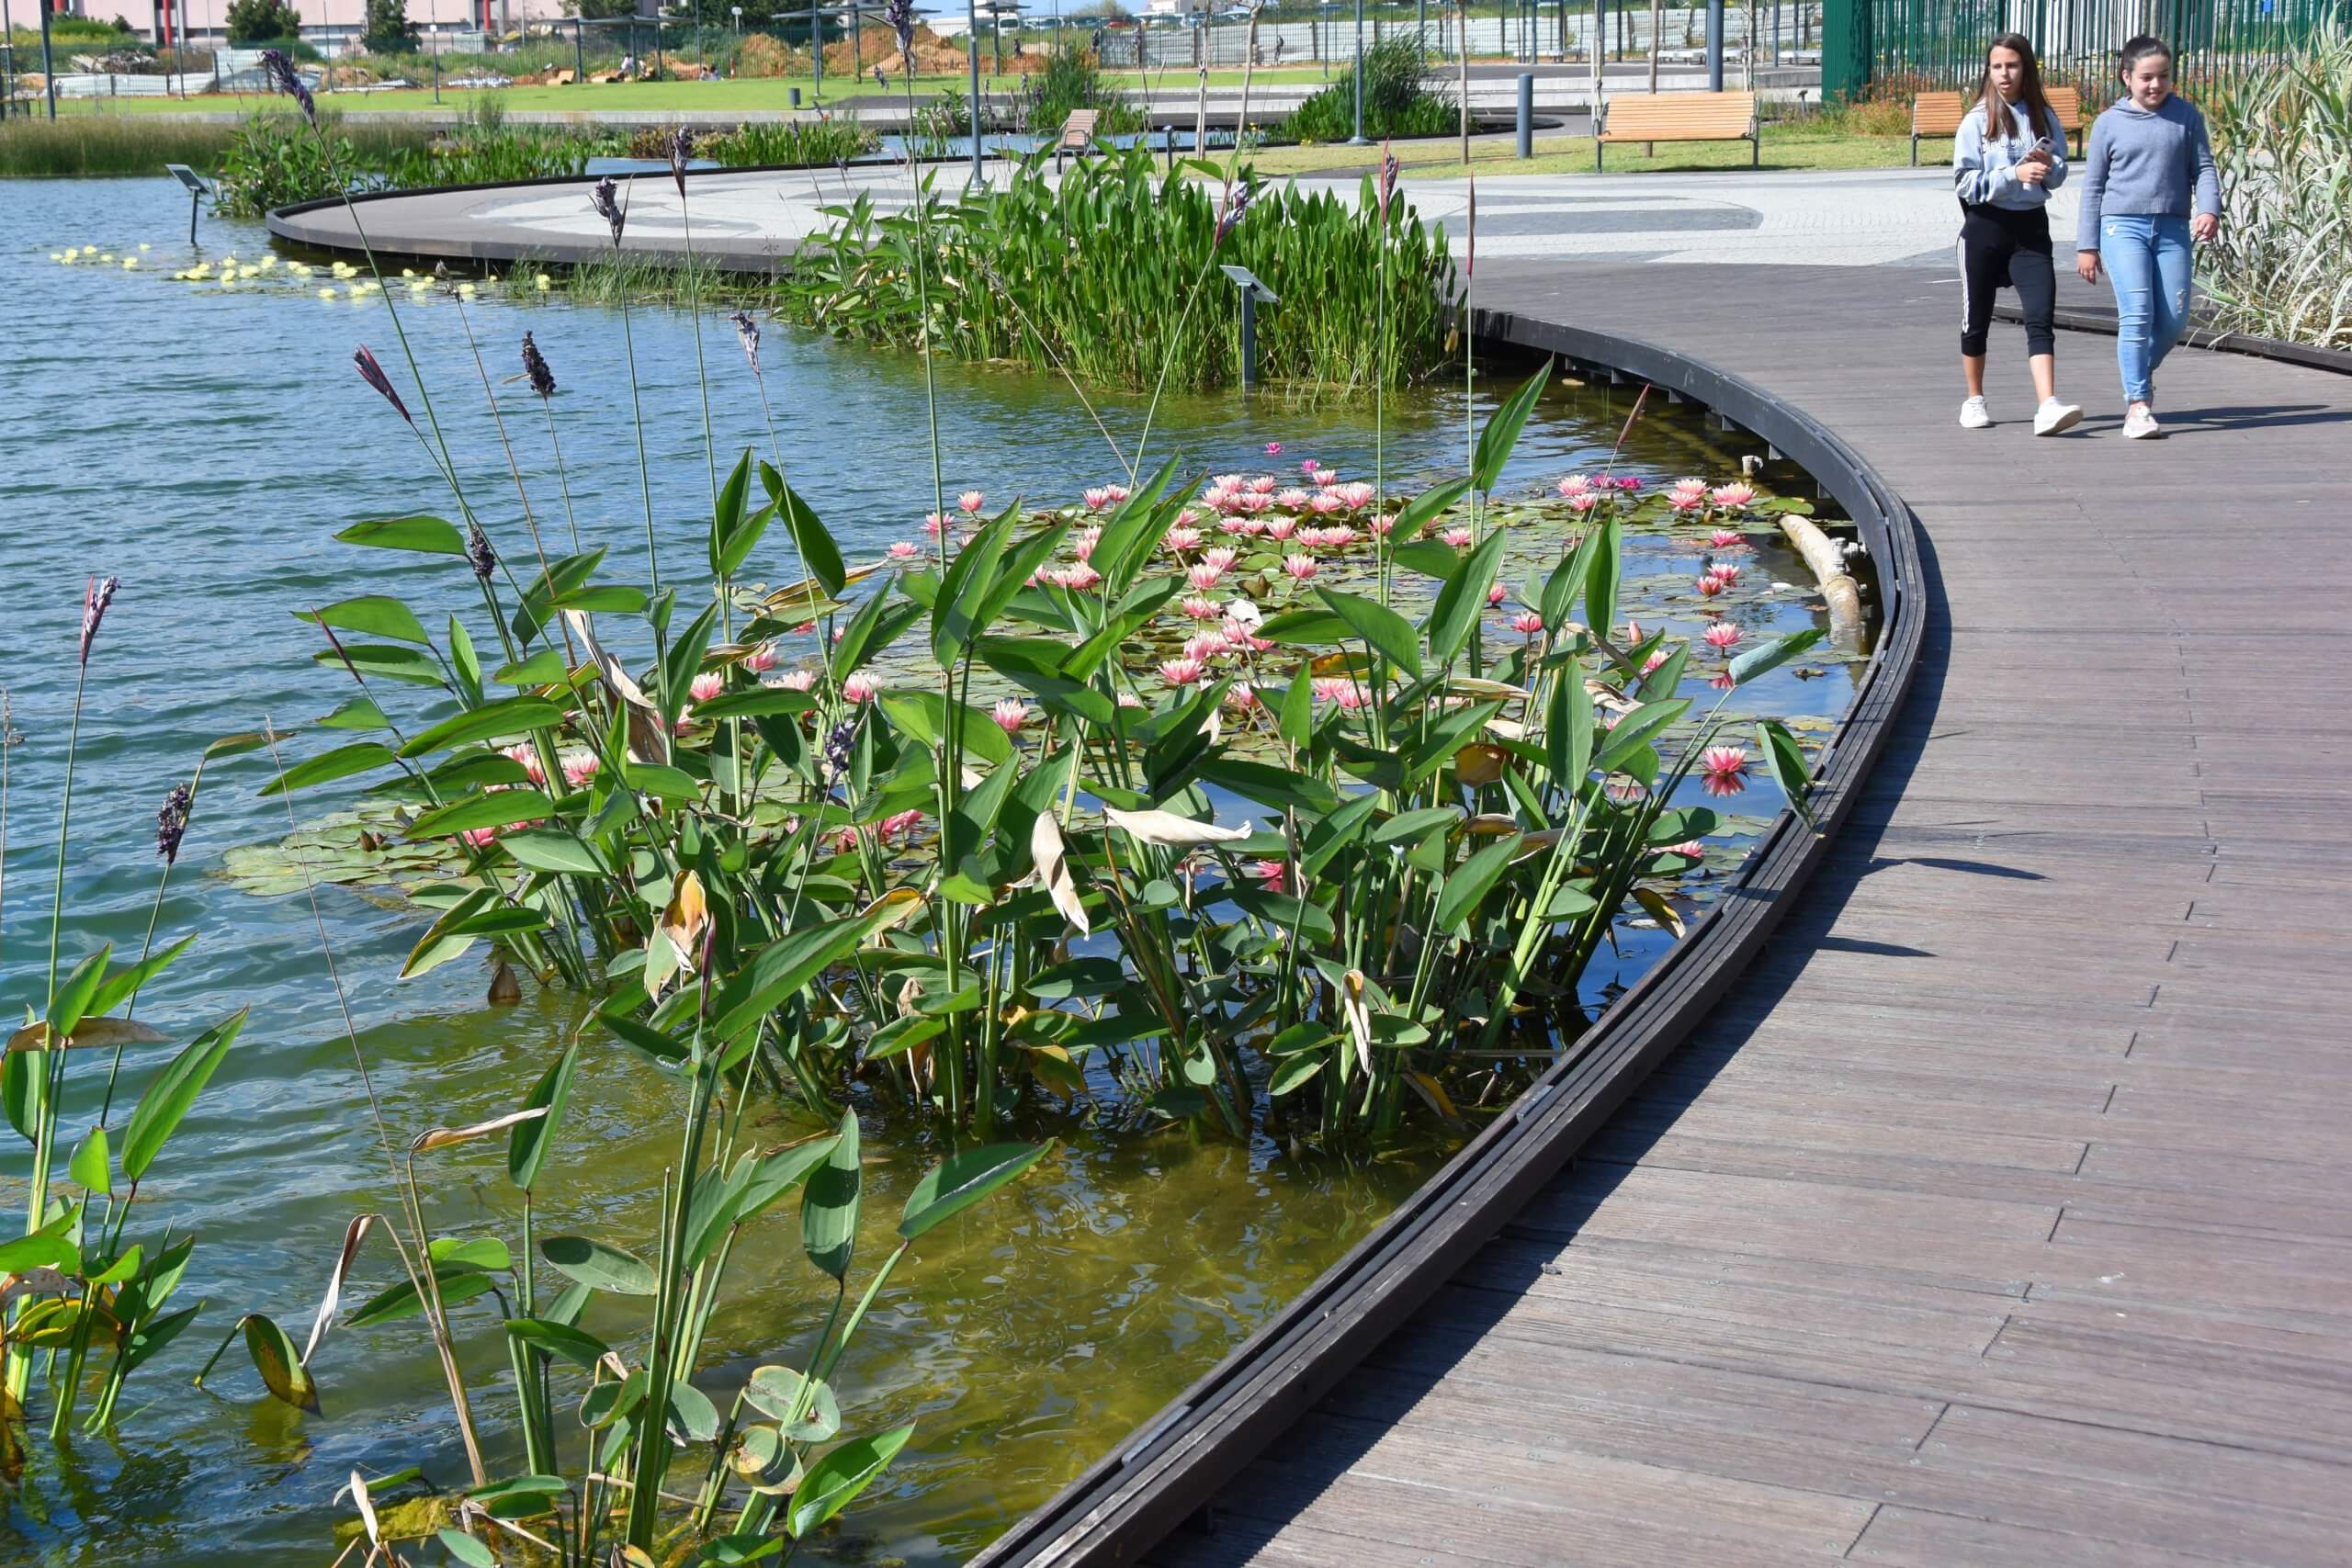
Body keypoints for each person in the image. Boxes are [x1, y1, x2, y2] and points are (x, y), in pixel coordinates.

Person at [2075, 35, 2222, 439]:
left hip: (2172, 228)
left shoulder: (2186, 117)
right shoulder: (2109, 123)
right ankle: (2138, 405)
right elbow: (2093, 187)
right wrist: (2087, 245)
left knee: (2174, 321)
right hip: (2122, 227)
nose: (2156, 85)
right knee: (2137, 312)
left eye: (2164, 76)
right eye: (2146, 78)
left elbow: (2203, 168)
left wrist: (2209, 209)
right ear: (2127, 77)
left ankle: (2138, 368)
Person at [1951, 33, 2082, 435]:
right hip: (1985, 228)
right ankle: (1974, 399)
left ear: (2026, 68)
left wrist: (2048, 167)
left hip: (2031, 228)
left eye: (2012, 65)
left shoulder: (2043, 116)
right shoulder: (1976, 120)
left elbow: (2060, 172)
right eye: (1997, 66)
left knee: (2040, 315)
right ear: (1988, 71)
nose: (2005, 74)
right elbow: (1964, 183)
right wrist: (2013, 174)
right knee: (1977, 318)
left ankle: (2048, 405)